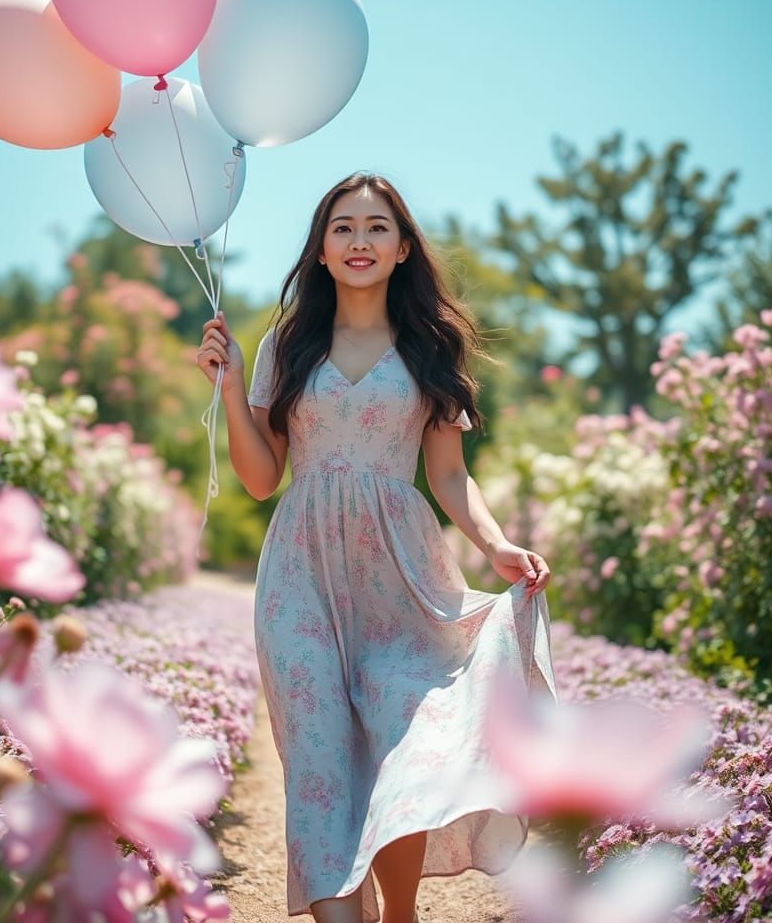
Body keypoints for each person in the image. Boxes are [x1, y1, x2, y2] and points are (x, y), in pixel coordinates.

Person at [196, 172, 558, 923]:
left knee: (400, 745)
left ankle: (399, 914)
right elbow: (262, 479)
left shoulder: (431, 347)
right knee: (320, 757)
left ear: (401, 249)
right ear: (321, 252)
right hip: (300, 574)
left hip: (405, 575)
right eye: (343, 228)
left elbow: (451, 476)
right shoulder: (286, 344)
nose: (359, 241)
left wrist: (496, 547)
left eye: (376, 227)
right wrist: (230, 390)